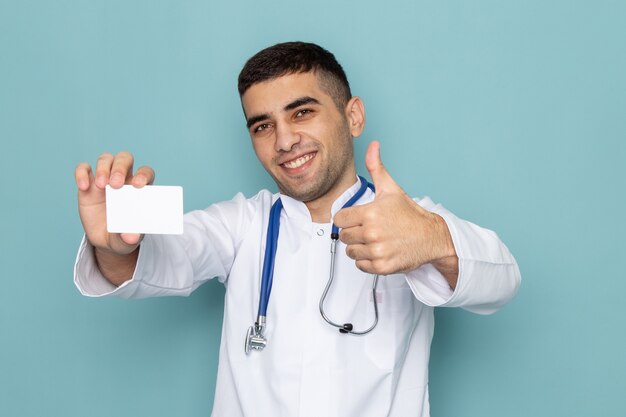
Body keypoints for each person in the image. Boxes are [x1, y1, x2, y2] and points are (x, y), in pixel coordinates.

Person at [73, 41, 520, 417]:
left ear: (353, 116)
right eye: (263, 126)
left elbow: (502, 280)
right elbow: (157, 260)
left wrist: (431, 240)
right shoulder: (241, 224)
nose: (284, 141)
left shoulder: (410, 220)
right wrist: (114, 247)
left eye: (302, 112)